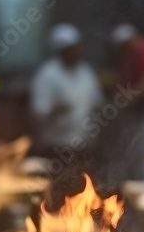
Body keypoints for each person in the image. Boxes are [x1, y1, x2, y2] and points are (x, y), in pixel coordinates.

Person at [30, 23, 105, 159]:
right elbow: (38, 111)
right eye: (71, 49)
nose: (76, 53)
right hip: (56, 147)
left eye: (77, 48)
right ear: (61, 51)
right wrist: (56, 109)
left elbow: (96, 100)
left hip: (84, 145)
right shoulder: (47, 74)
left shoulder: (86, 71)